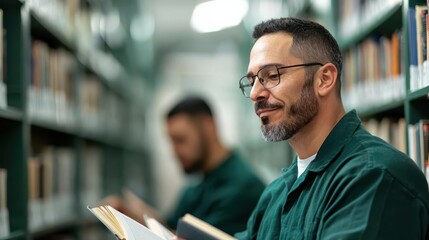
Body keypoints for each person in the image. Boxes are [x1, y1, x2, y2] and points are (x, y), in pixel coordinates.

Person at [234, 17, 429, 239]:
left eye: (271, 75)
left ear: (324, 79)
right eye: (252, 81)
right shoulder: (276, 192)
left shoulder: (373, 176)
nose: (254, 93)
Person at [103, 96, 265, 235]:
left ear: (209, 127)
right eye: (171, 142)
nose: (174, 152)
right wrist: (126, 214)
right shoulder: (198, 186)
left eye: (180, 140)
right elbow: (171, 228)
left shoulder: (243, 189)